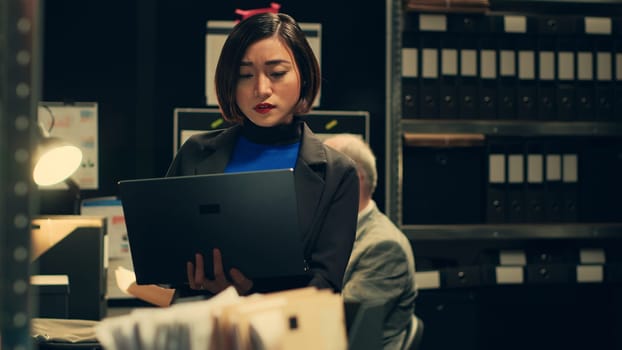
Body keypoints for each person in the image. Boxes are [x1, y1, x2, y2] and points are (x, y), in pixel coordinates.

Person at [122, 12, 359, 302]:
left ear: (305, 76)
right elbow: (163, 258)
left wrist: (247, 291)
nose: (261, 89)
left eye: (277, 73)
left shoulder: (337, 172)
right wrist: (188, 277)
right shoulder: (195, 152)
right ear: (229, 84)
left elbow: (326, 286)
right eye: (245, 75)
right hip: (204, 331)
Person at [323, 134, 417, 350]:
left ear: (352, 180)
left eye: (322, 172)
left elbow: (342, 323)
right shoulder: (332, 231)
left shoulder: (383, 246)